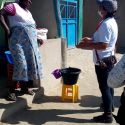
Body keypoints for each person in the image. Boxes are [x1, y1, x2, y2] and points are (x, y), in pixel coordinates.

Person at [76, 0, 118, 123]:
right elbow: (103, 39)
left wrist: (84, 46)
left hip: (103, 61)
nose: (98, 8)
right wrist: (90, 40)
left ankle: (108, 115)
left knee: (104, 87)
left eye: (100, 6)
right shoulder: (110, 22)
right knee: (109, 85)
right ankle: (109, 106)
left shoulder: (106, 24)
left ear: (105, 9)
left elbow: (103, 45)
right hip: (108, 59)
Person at [0, 0, 43, 101]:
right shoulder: (13, 6)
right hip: (17, 42)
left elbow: (31, 27)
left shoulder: (28, 12)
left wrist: (37, 38)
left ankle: (24, 88)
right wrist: (7, 29)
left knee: (28, 65)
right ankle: (11, 91)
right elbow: (0, 14)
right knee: (21, 65)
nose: (30, 2)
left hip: (30, 44)